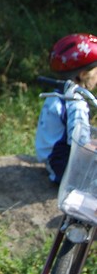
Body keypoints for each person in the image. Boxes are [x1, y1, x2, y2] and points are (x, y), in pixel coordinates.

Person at [36, 33, 97, 183]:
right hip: (63, 166)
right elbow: (80, 146)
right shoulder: (76, 103)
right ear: (83, 74)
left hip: (52, 158)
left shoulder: (58, 94)